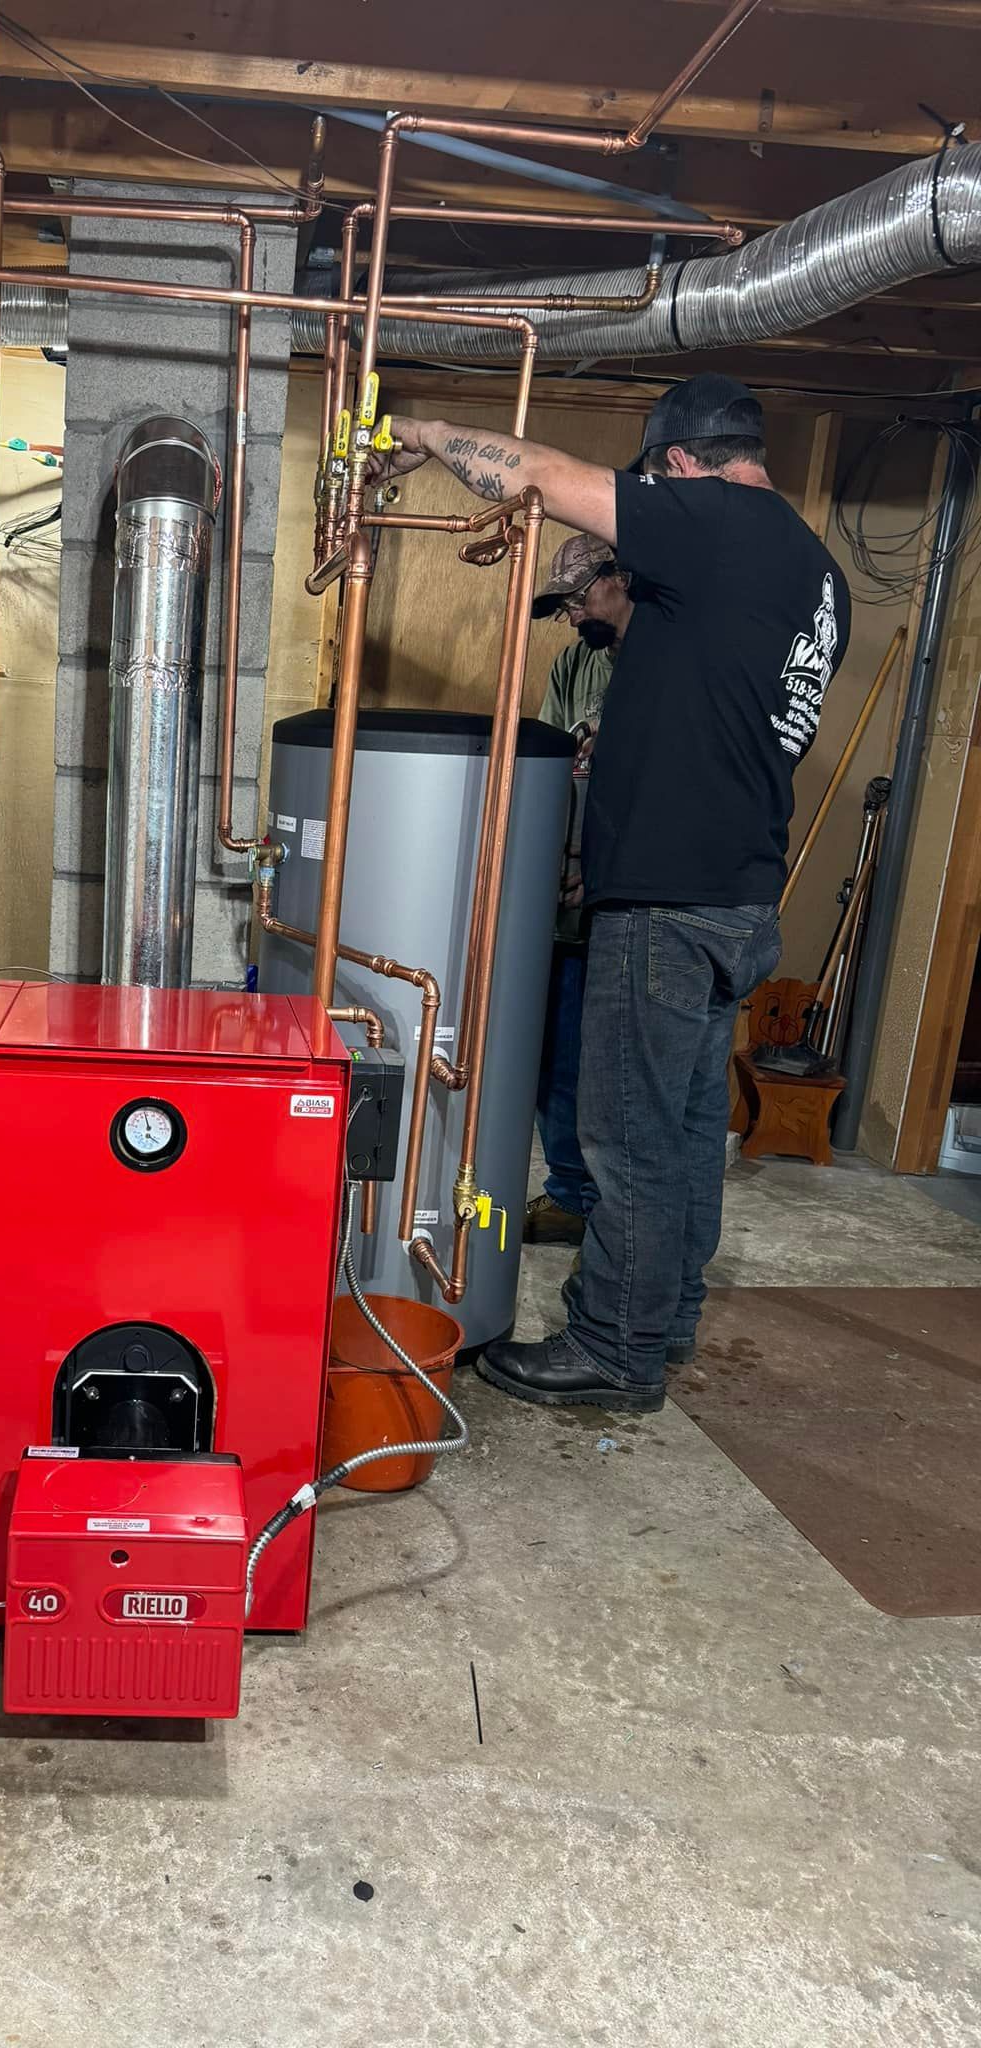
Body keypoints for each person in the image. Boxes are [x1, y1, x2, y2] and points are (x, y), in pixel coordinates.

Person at [370, 374, 849, 1414]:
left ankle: (612, 1349)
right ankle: (664, 1320)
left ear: (678, 463)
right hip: (735, 894)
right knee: (680, 1134)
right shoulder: (813, 569)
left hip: (671, 903)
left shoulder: (718, 522)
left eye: (652, 477)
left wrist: (421, 431)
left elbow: (542, 476)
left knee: (625, 1135)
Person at [525, 533, 634, 1248]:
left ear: (618, 578)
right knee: (556, 1052)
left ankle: (608, 1203)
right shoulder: (577, 661)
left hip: (628, 898)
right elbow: (548, 755)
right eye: (562, 606)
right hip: (564, 898)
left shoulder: (663, 660)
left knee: (613, 1065)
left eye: (578, 598)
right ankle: (569, 1189)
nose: (571, 615)